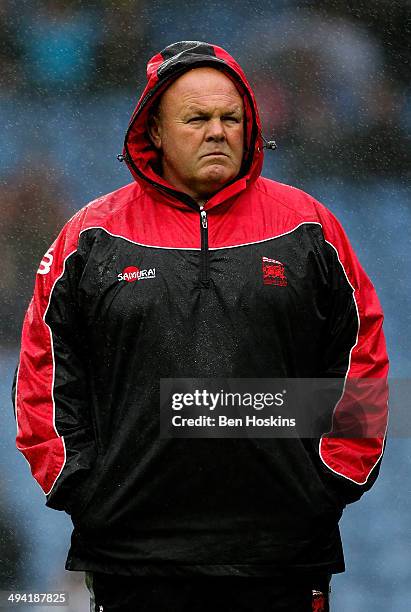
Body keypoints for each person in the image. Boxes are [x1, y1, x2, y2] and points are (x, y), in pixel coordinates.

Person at [13, 41, 389, 611]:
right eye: (197, 118)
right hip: (132, 557)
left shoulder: (310, 229)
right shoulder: (89, 240)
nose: (218, 131)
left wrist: (331, 477)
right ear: (155, 132)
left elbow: (363, 356)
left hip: (283, 555)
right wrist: (82, 487)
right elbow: (44, 371)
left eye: (231, 118)